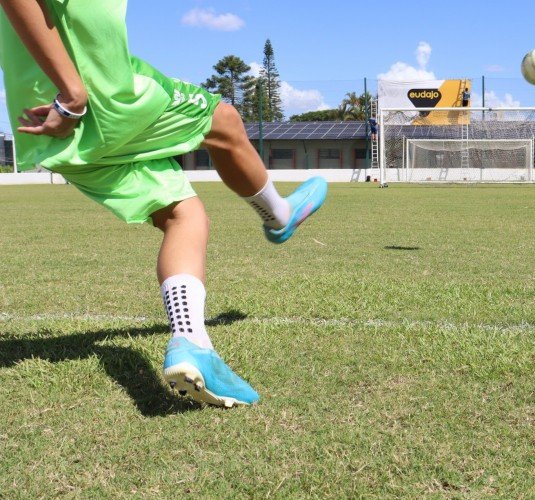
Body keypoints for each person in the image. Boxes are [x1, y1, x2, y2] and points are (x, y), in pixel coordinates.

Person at [0, 0, 327, 408]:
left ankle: (191, 340)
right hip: (96, 101)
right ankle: (279, 215)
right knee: (223, 120)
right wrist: (73, 93)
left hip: (48, 128)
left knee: (184, 214)